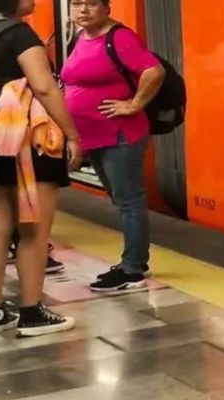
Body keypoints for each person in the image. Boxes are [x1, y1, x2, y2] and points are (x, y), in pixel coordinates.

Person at [0, 0, 82, 338]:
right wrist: (73, 135)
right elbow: (44, 87)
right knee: (34, 231)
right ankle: (31, 312)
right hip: (26, 142)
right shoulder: (19, 33)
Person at [61, 0, 162, 291]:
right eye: (76, 4)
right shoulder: (81, 37)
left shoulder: (119, 37)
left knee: (129, 200)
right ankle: (132, 260)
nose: (82, 10)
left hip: (119, 134)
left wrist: (134, 104)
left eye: (91, 3)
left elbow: (153, 71)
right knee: (121, 199)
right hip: (92, 134)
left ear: (106, 8)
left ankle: (133, 268)